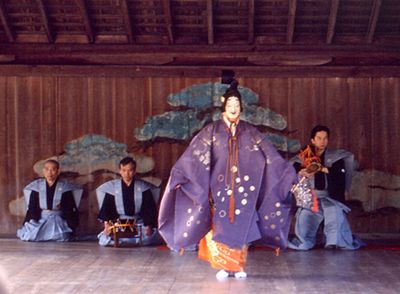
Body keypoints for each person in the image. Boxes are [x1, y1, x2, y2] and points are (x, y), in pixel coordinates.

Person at [158, 79, 297, 280]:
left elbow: (271, 157)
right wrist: (181, 172)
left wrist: (287, 174)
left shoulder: (251, 132)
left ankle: (239, 266)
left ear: (241, 108)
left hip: (245, 191)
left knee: (242, 225)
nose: (233, 108)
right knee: (219, 226)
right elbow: (194, 156)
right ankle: (223, 266)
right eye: (230, 105)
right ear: (224, 107)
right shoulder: (211, 131)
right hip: (218, 189)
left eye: (237, 105)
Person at [288, 125, 364, 250]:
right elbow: (293, 170)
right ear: (313, 140)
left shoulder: (336, 157)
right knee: (305, 219)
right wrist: (301, 172)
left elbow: (339, 174)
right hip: (310, 198)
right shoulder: (304, 155)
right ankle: (305, 241)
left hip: (330, 196)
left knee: (334, 213)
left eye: (325, 138)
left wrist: (322, 168)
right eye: (319, 138)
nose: (322, 142)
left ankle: (334, 242)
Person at [96, 156, 160, 246]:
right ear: (120, 171)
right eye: (124, 170)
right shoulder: (112, 188)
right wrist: (107, 226)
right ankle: (128, 241)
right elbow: (106, 209)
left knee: (150, 237)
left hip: (137, 223)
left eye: (130, 170)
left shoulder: (142, 187)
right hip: (119, 223)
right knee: (104, 240)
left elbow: (149, 208)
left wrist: (148, 226)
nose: (127, 173)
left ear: (134, 171)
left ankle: (124, 241)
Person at [17, 159, 82, 241]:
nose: (49, 172)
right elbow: (32, 207)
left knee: (62, 236)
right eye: (47, 169)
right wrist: (31, 220)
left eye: (53, 170)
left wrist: (62, 206)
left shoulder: (65, 187)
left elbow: (70, 207)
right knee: (31, 235)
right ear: (43, 171)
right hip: (41, 219)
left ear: (58, 171)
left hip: (58, 219)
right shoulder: (36, 186)